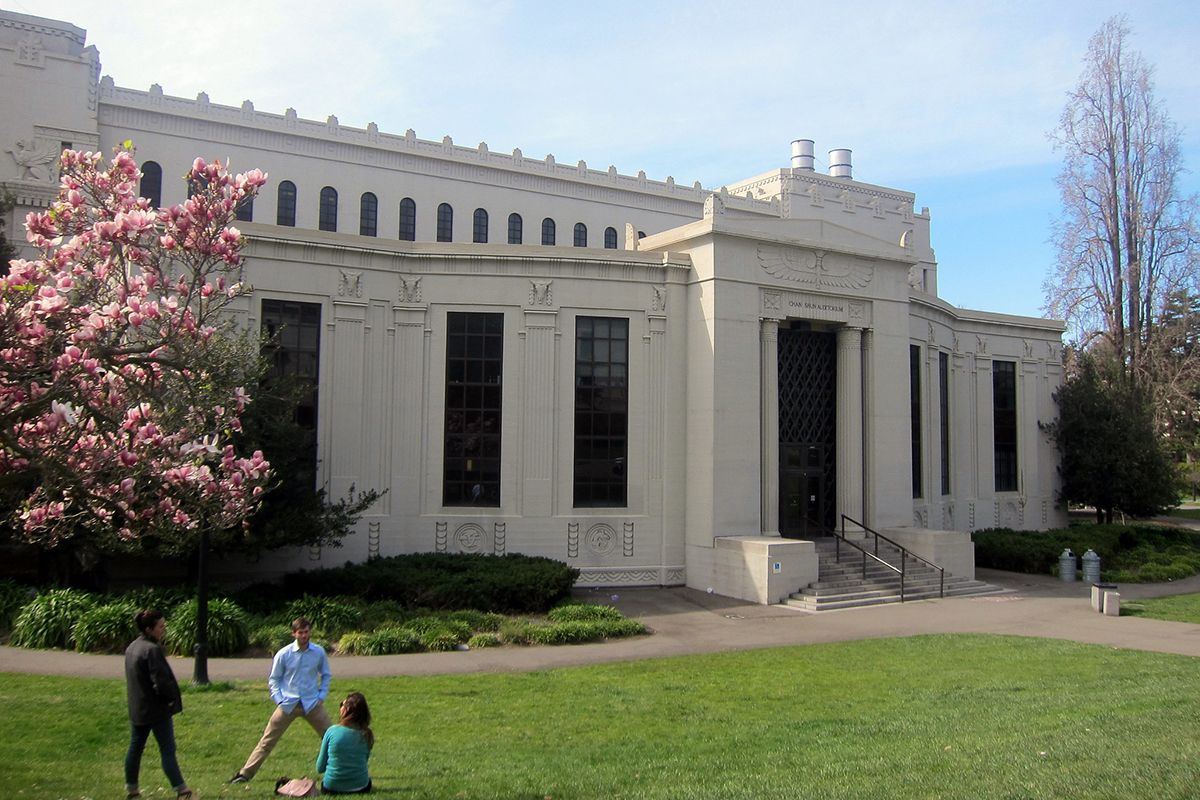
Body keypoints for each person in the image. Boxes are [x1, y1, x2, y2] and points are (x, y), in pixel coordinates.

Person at [229, 616, 332, 783]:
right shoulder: (284, 654)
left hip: (312, 704)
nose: (305, 636)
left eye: (307, 632)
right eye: (301, 633)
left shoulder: (318, 652)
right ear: (294, 634)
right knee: (267, 741)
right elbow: (274, 679)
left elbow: (326, 675)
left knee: (333, 738)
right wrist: (279, 700)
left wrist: (321, 696)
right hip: (288, 704)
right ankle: (244, 774)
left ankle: (344, 772)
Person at [124, 608, 192, 800]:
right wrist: (171, 698)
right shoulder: (152, 650)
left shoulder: (132, 648)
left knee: (135, 748)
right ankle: (182, 790)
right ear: (148, 629)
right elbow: (161, 682)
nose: (164, 629)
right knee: (168, 750)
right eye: (160, 626)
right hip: (157, 710)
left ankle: (132, 790)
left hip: (138, 708)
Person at [316, 692, 375, 794]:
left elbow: (320, 767)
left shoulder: (332, 731)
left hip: (331, 787)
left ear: (346, 710)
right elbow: (363, 762)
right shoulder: (367, 734)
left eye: (342, 705)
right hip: (361, 787)